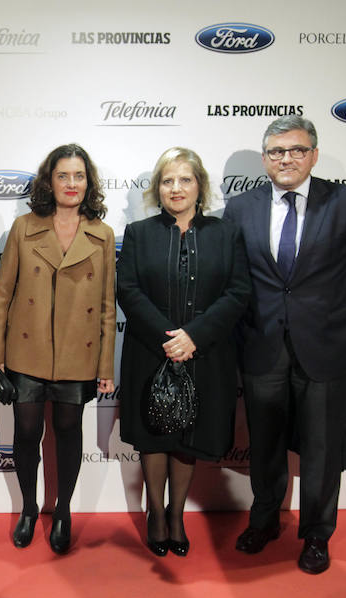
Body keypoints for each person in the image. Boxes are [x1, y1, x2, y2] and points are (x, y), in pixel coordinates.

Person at [224, 116, 346, 574]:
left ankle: (316, 534)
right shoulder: (240, 208)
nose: (287, 158)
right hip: (261, 344)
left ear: (313, 154)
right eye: (277, 151)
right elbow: (234, 278)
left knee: (321, 447)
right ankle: (266, 519)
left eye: (296, 150)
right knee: (266, 443)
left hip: (326, 346)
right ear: (264, 160)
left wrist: (338, 318)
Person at [0, 144, 116, 554]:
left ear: (88, 182)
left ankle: (64, 512)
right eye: (63, 176)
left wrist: (105, 365)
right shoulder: (24, 227)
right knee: (26, 432)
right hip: (27, 353)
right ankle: (28, 507)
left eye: (79, 176)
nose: (71, 184)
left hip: (79, 355)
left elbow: (109, 306)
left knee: (68, 433)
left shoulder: (103, 234)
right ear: (49, 181)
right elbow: (2, 296)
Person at [117, 147, 251, 557]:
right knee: (154, 436)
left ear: (200, 186)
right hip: (150, 352)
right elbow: (128, 290)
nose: (176, 188)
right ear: (158, 188)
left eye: (185, 180)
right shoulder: (140, 234)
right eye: (168, 180)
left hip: (205, 354)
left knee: (187, 438)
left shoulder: (225, 233)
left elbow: (238, 291)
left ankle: (177, 514)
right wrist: (168, 337)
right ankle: (156, 514)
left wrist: (194, 336)